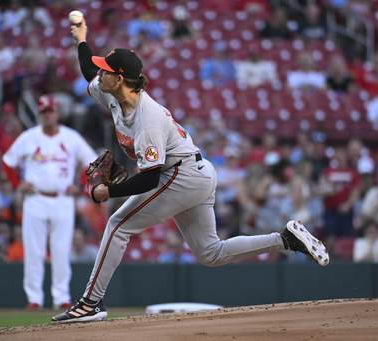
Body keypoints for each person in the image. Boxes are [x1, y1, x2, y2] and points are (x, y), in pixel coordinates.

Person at [50, 18, 330, 323]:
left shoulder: (148, 120)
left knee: (118, 225)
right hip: (193, 172)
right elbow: (89, 70)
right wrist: (82, 38)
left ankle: (91, 303)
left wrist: (108, 191)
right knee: (211, 253)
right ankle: (286, 239)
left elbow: (150, 178)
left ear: (120, 79)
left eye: (106, 70)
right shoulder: (113, 93)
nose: (99, 73)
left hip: (181, 175)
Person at [2, 94, 97, 310]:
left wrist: (82, 185)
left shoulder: (71, 137)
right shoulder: (29, 137)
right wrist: (18, 183)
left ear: (57, 113)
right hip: (36, 198)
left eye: (51, 111)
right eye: (44, 112)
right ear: (39, 114)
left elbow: (93, 162)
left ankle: (61, 296)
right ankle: (34, 298)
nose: (48, 115)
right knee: (33, 250)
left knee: (61, 250)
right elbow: (8, 162)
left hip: (63, 198)